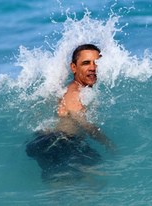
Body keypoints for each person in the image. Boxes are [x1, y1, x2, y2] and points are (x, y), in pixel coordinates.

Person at [26, 44, 115, 181]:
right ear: (74, 67)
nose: (93, 67)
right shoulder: (75, 93)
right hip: (62, 145)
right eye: (86, 63)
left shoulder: (76, 89)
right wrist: (108, 143)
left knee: (62, 190)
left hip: (54, 142)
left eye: (96, 63)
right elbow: (85, 124)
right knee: (95, 180)